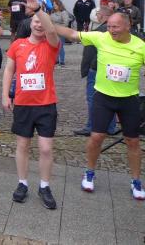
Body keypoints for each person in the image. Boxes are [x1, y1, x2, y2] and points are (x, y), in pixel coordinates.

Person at [51, 11, 145, 200]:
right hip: (103, 97)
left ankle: (136, 180)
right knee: (96, 137)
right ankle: (89, 172)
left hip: (129, 99)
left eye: (115, 27)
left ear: (128, 26)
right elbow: (72, 34)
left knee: (133, 141)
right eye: (109, 26)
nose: (111, 30)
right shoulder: (101, 37)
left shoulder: (140, 46)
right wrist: (46, 22)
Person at [1, 0, 60, 210]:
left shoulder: (52, 44)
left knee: (45, 148)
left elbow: (51, 31)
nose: (39, 25)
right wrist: (5, 95)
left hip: (46, 104)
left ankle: (44, 186)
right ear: (30, 24)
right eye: (35, 22)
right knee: (23, 145)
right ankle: (22, 183)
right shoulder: (18, 45)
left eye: (41, 22)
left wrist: (38, 11)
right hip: (24, 104)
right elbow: (9, 70)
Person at [74, 6, 116, 137]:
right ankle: (110, 127)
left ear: (101, 15)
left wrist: (86, 69)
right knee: (110, 98)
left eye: (97, 14)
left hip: (97, 69)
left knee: (93, 98)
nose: (96, 16)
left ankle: (92, 126)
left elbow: (89, 54)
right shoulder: (115, 30)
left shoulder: (99, 31)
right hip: (111, 69)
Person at [48, 0, 72, 67]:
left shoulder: (63, 12)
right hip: (53, 32)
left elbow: (66, 23)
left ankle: (62, 61)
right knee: (54, 46)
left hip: (60, 31)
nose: (54, 5)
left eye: (55, 4)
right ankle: (56, 60)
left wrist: (58, 28)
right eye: (53, 4)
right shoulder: (52, 12)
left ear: (59, 5)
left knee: (60, 46)